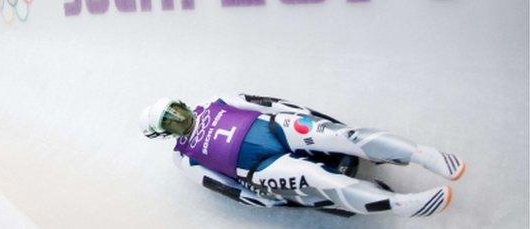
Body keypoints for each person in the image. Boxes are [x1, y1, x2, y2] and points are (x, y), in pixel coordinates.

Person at [139, 94, 465, 217]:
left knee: (343, 137)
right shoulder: (183, 158)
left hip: (273, 127)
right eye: (171, 121)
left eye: (176, 111)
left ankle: (424, 155)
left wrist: (306, 114)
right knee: (320, 180)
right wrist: (261, 200)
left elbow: (265, 103)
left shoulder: (217, 100)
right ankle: (399, 205)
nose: (179, 119)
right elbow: (220, 184)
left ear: (182, 103)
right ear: (166, 134)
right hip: (258, 169)